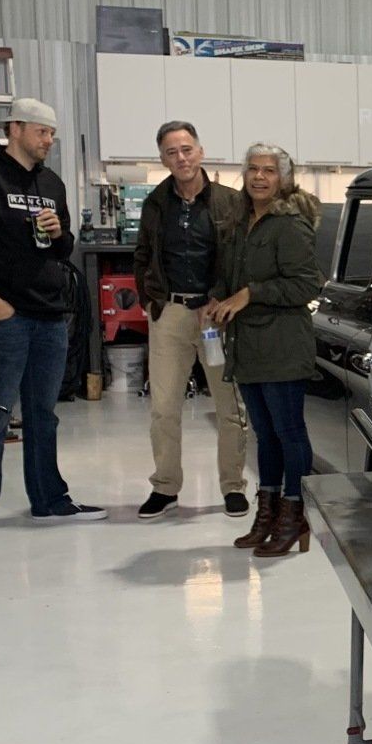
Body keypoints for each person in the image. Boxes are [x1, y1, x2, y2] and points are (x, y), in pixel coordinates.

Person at [0, 98, 105, 549]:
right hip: (3, 318)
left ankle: (49, 500)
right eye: (41, 132)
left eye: (52, 133)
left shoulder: (51, 183)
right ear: (15, 129)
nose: (49, 140)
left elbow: (62, 247)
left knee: (43, 416)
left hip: (49, 316)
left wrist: (58, 235)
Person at [207, 143, 323, 559]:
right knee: (265, 436)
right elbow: (230, 276)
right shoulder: (240, 221)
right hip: (248, 346)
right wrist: (218, 298)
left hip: (282, 344)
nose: (259, 177)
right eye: (253, 169)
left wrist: (250, 294)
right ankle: (269, 514)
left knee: (289, 433)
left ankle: (296, 516)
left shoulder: (289, 224)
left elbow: (306, 285)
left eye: (269, 171)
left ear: (283, 178)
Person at [132, 120, 251, 521]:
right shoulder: (155, 203)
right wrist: (152, 301)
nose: (180, 158)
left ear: (200, 151)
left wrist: (218, 296)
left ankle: (232, 486)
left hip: (217, 317)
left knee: (229, 406)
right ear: (162, 159)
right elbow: (143, 253)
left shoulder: (231, 202)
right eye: (171, 152)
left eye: (186, 149)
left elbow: (238, 258)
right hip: (170, 315)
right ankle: (165, 487)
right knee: (164, 408)